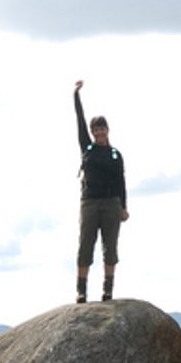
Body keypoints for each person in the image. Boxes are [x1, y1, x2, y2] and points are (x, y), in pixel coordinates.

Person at [73, 79, 128, 302]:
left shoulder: (115, 154)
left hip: (111, 203)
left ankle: (108, 290)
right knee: (86, 244)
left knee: (110, 247)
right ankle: (81, 291)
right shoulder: (87, 147)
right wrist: (76, 95)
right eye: (96, 129)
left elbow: (121, 182)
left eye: (102, 129)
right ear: (92, 132)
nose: (99, 132)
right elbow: (79, 119)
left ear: (107, 130)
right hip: (90, 203)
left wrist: (124, 207)